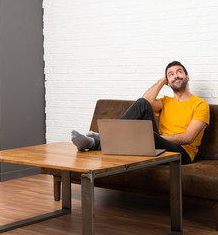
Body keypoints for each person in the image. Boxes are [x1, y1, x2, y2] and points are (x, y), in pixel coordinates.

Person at [71, 61, 210, 164]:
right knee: (142, 103)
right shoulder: (166, 102)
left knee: (148, 137)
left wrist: (153, 138)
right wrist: (162, 80)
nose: (176, 76)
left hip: (182, 154)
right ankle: (105, 138)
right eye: (171, 74)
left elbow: (188, 138)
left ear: (187, 77)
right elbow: (145, 100)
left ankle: (97, 142)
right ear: (168, 82)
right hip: (159, 144)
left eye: (179, 72)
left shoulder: (200, 105)